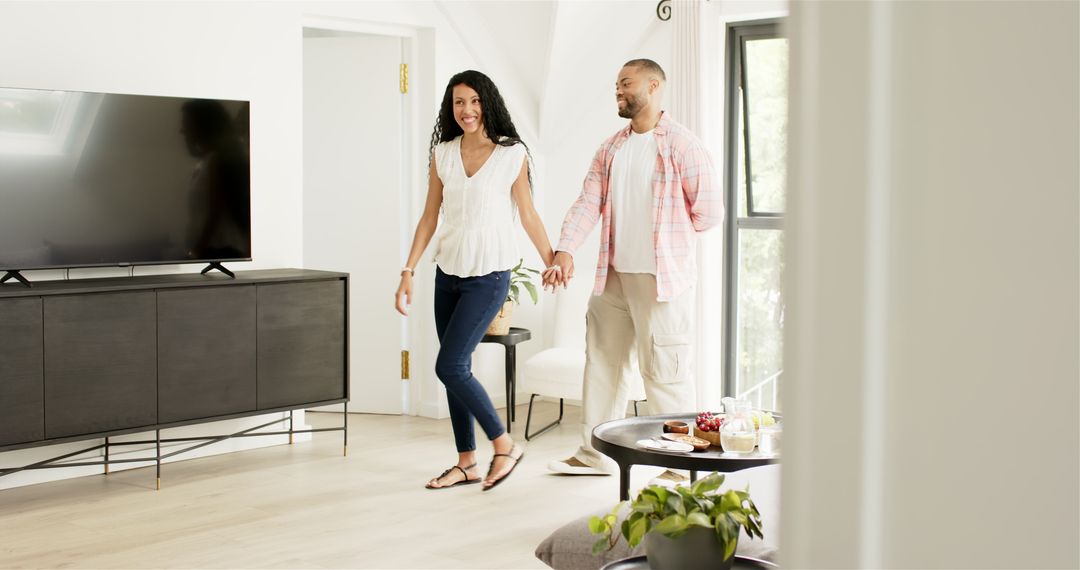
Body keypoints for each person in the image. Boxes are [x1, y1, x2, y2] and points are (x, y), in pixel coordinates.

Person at [543, 59, 722, 477]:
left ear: (653, 85)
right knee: (602, 367)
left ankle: (679, 464)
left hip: (661, 281)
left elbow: (710, 212)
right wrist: (566, 248)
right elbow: (588, 202)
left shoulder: (682, 145)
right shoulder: (611, 148)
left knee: (664, 373)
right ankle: (596, 456)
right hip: (613, 277)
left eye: (626, 83)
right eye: (617, 85)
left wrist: (671, 242)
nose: (619, 91)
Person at [395, 70, 560, 491]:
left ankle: (504, 445)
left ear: (487, 102)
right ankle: (467, 462)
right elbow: (429, 216)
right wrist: (408, 270)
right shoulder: (443, 154)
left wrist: (551, 259)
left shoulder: (511, 154)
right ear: (450, 108)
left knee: (448, 366)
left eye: (473, 101)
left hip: (489, 275)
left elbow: (528, 214)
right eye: (458, 102)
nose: (466, 110)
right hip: (447, 273)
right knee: (458, 368)